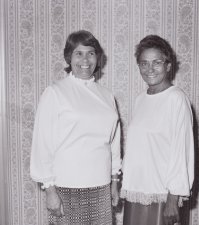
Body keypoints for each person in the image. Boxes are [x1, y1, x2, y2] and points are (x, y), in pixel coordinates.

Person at [30, 30, 121, 225]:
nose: (85, 59)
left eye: (91, 53)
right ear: (68, 57)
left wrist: (115, 182)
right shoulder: (55, 92)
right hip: (67, 188)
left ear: (98, 57)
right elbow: (42, 144)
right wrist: (50, 190)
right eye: (78, 53)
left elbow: (113, 143)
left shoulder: (107, 96)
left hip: (101, 187)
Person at [120, 35, 194, 225]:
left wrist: (172, 199)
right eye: (144, 63)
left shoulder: (176, 99)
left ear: (168, 66)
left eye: (157, 62)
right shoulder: (140, 100)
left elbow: (182, 152)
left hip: (161, 195)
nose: (150, 69)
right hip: (136, 192)